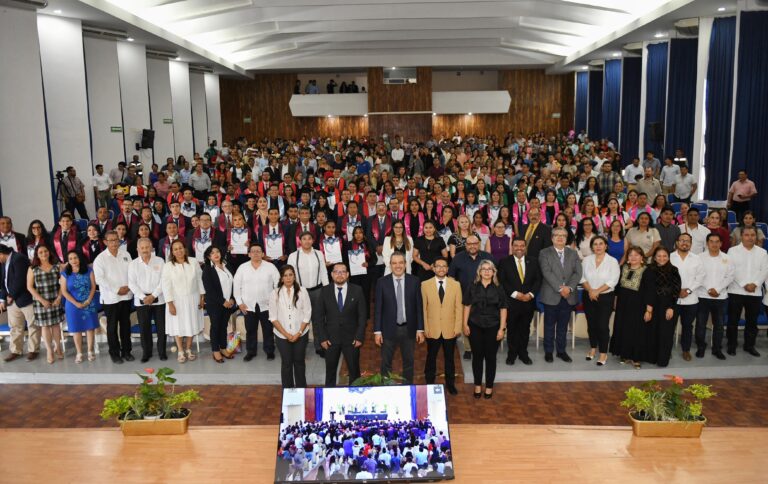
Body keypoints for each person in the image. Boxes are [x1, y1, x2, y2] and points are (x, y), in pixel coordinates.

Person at [314, 262, 367, 387]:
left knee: (354, 372)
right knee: (330, 372)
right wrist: (322, 338)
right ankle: (330, 399)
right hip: (331, 340)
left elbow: (362, 316)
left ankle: (355, 398)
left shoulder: (357, 290)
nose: (340, 275)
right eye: (337, 272)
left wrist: (359, 336)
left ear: (347, 274)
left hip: (352, 339)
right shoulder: (324, 291)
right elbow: (319, 317)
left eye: (343, 272)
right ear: (332, 275)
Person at [374, 253, 425, 384]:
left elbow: (419, 307)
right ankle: (386, 388)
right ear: (390, 265)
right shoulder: (381, 282)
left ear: (405, 264)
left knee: (409, 362)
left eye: (401, 262)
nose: (398, 266)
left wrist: (420, 329)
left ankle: (407, 386)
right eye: (394, 263)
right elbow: (378, 309)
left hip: (409, 328)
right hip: (388, 329)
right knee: (386, 362)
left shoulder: (414, 281)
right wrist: (377, 332)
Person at [462, 260, 507, 399]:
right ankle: (477, 385)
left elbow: (503, 308)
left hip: (493, 327)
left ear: (493, 272)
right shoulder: (472, 286)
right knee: (477, 357)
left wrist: (502, 328)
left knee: (491, 358)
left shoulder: (499, 288)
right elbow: (467, 306)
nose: (487, 271)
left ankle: (488, 387)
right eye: (484, 269)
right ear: (479, 272)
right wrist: (464, 324)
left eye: (490, 269)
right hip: (475, 326)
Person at [538, 227, 582, 363]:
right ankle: (549, 351)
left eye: (563, 235)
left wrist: (568, 288)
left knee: (563, 327)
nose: (560, 237)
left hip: (568, 296)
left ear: (566, 238)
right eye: (557, 235)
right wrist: (560, 288)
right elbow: (547, 273)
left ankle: (561, 351)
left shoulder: (573, 253)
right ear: (552, 238)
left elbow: (578, 273)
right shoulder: (544, 253)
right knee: (549, 326)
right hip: (551, 295)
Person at [498, 238, 542, 365]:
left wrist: (531, 294)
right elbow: (502, 280)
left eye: (522, 245)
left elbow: (538, 280)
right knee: (512, 329)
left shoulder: (533, 261)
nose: (519, 248)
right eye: (516, 245)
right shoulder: (504, 261)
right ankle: (511, 354)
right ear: (512, 247)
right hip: (511, 302)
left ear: (525, 247)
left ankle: (523, 353)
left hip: (528, 302)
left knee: (525, 329)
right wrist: (516, 294)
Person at [421, 257, 462, 394]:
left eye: (444, 266)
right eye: (438, 266)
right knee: (431, 356)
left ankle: (450, 384)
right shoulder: (425, 285)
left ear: (448, 268)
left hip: (450, 328)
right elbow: (423, 309)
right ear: (433, 268)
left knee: (450, 358)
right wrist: (425, 328)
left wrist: (457, 327)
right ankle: (429, 383)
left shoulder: (455, 285)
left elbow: (458, 308)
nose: (441, 268)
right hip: (432, 329)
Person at [447, 235, 492, 360]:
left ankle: (483, 347)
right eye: (469, 244)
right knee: (466, 323)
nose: (472, 246)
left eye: (475, 243)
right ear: (465, 245)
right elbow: (451, 277)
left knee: (483, 322)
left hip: (485, 296)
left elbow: (495, 275)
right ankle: (468, 348)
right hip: (464, 297)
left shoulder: (488, 257)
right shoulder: (458, 258)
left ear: (479, 244)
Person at [726, 227, 768, 357]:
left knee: (752, 321)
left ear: (756, 236)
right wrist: (745, 284)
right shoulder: (732, 251)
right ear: (741, 236)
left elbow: (764, 271)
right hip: (736, 291)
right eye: (747, 235)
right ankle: (731, 346)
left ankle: (749, 346)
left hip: (754, 293)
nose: (750, 237)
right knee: (733, 321)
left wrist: (755, 284)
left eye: (753, 235)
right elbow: (732, 270)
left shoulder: (762, 252)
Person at [93, 230, 134, 364]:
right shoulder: (100, 259)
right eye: (111, 240)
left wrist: (128, 287)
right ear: (105, 242)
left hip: (126, 296)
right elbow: (100, 279)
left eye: (116, 240)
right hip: (111, 298)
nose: (114, 243)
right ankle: (115, 353)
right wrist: (117, 290)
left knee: (125, 325)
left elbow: (132, 273)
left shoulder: (126, 254)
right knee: (112, 327)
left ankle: (127, 351)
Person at [233, 244, 280, 361]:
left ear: (263, 254)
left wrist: (275, 300)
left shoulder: (271, 267)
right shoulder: (242, 268)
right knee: (250, 330)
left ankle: (269, 351)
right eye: (253, 251)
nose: (255, 253)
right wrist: (239, 302)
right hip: (248, 305)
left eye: (258, 251)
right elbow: (236, 286)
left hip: (267, 305)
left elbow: (278, 284)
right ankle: (251, 351)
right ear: (249, 254)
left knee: (268, 329)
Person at [287, 231, 329, 358]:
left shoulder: (318, 253)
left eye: (309, 239)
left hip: (318, 291)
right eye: (304, 239)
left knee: (318, 320)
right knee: (301, 319)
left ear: (313, 240)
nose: (307, 241)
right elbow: (290, 275)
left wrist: (326, 290)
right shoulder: (293, 256)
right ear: (300, 241)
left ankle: (320, 346)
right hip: (301, 291)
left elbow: (323, 272)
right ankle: (300, 347)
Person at [609, 246, 654, 368]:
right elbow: (618, 288)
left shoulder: (647, 271)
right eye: (630, 255)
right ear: (627, 258)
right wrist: (615, 301)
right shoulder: (623, 268)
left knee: (637, 330)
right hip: (623, 305)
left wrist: (649, 309)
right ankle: (624, 354)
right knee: (623, 328)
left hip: (639, 305)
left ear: (641, 258)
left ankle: (636, 357)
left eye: (636, 255)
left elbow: (650, 291)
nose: (633, 257)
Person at [162, 240, 205, 363]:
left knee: (191, 324)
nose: (179, 251)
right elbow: (166, 286)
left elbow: (199, 280)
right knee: (178, 325)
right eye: (175, 249)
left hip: (193, 298)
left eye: (180, 248)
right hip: (176, 301)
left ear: (185, 249)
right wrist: (170, 304)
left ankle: (188, 349)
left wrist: (202, 298)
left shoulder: (193, 262)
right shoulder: (168, 266)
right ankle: (180, 351)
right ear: (172, 252)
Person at [269, 264, 312, 388]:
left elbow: (307, 314)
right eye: (285, 275)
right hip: (282, 336)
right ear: (281, 278)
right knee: (286, 364)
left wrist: (298, 333)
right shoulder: (275, 293)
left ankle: (301, 390)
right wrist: (286, 334)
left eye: (290, 275)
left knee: (299, 362)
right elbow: (273, 317)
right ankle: (288, 392)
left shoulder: (302, 291)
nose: (288, 278)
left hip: (301, 334)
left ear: (294, 276)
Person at [580, 236, 620, 366]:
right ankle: (592, 348)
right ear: (592, 247)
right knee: (591, 324)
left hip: (605, 297)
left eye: (601, 244)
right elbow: (581, 277)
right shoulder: (586, 260)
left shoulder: (612, 261)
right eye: (595, 244)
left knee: (602, 326)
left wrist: (597, 291)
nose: (598, 246)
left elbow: (613, 280)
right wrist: (591, 291)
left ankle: (603, 352)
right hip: (588, 296)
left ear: (606, 246)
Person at [128, 238, 167, 363]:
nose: (145, 250)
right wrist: (143, 297)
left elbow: (164, 280)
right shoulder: (133, 264)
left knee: (161, 327)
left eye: (147, 247)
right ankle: (146, 352)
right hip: (141, 301)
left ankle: (162, 352)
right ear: (138, 249)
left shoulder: (160, 261)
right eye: (142, 248)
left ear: (151, 248)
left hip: (158, 299)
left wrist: (153, 295)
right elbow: (131, 283)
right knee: (144, 328)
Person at [0, 245, 41, 361]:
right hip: (11, 301)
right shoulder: (4, 263)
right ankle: (15, 351)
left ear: (1, 253)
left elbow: (21, 280)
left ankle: (33, 350)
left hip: (25, 299)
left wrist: (10, 295)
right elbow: (3, 282)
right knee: (15, 327)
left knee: (33, 325)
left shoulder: (19, 258)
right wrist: (2, 299)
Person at [696, 233, 733, 360]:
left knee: (719, 325)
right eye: (711, 241)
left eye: (717, 241)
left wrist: (717, 289)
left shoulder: (727, 258)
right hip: (703, 295)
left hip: (721, 297)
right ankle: (701, 347)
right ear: (707, 243)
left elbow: (730, 276)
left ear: (721, 244)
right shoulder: (699, 258)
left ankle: (717, 349)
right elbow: (698, 276)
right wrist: (708, 289)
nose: (714, 244)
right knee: (701, 324)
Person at [26, 244, 65, 364]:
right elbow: (30, 287)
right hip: (41, 302)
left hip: (55, 300)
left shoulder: (57, 267)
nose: (44, 254)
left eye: (45, 251)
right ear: (37, 255)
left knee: (56, 325)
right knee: (45, 326)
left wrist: (59, 297)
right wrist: (42, 300)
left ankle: (58, 347)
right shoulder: (32, 269)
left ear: (49, 252)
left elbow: (62, 285)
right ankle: (49, 350)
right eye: (41, 252)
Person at [59, 250, 99, 363]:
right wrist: (76, 303)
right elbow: (64, 291)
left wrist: (88, 300)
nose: (73, 261)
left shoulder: (88, 270)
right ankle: (79, 353)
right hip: (72, 305)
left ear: (80, 258)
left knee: (90, 328)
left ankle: (90, 351)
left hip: (88, 303)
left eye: (75, 257)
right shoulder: (65, 273)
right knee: (76, 329)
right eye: (70, 259)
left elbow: (93, 287)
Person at [669, 233, 704, 362]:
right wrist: (677, 291)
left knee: (688, 326)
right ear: (677, 242)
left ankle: (686, 350)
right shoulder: (670, 257)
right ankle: (667, 350)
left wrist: (688, 290)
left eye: (688, 241)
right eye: (682, 240)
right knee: (669, 325)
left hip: (691, 298)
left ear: (691, 244)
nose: (685, 243)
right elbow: (666, 277)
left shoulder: (697, 259)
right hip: (673, 298)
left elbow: (700, 277)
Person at [645, 247, 682, 367]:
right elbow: (647, 290)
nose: (662, 258)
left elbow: (676, 290)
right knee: (652, 332)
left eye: (664, 256)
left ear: (668, 257)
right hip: (652, 305)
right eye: (659, 256)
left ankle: (663, 359)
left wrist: (671, 307)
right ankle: (652, 357)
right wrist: (648, 308)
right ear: (654, 257)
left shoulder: (674, 270)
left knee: (666, 333)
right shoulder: (649, 270)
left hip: (668, 305)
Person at [201, 246, 236, 363]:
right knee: (215, 327)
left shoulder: (227, 266)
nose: (216, 254)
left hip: (228, 303)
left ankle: (223, 348)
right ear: (208, 257)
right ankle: (215, 350)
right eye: (212, 253)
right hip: (215, 304)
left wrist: (232, 299)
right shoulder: (207, 270)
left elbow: (234, 284)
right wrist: (223, 301)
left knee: (224, 326)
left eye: (217, 251)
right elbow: (209, 290)